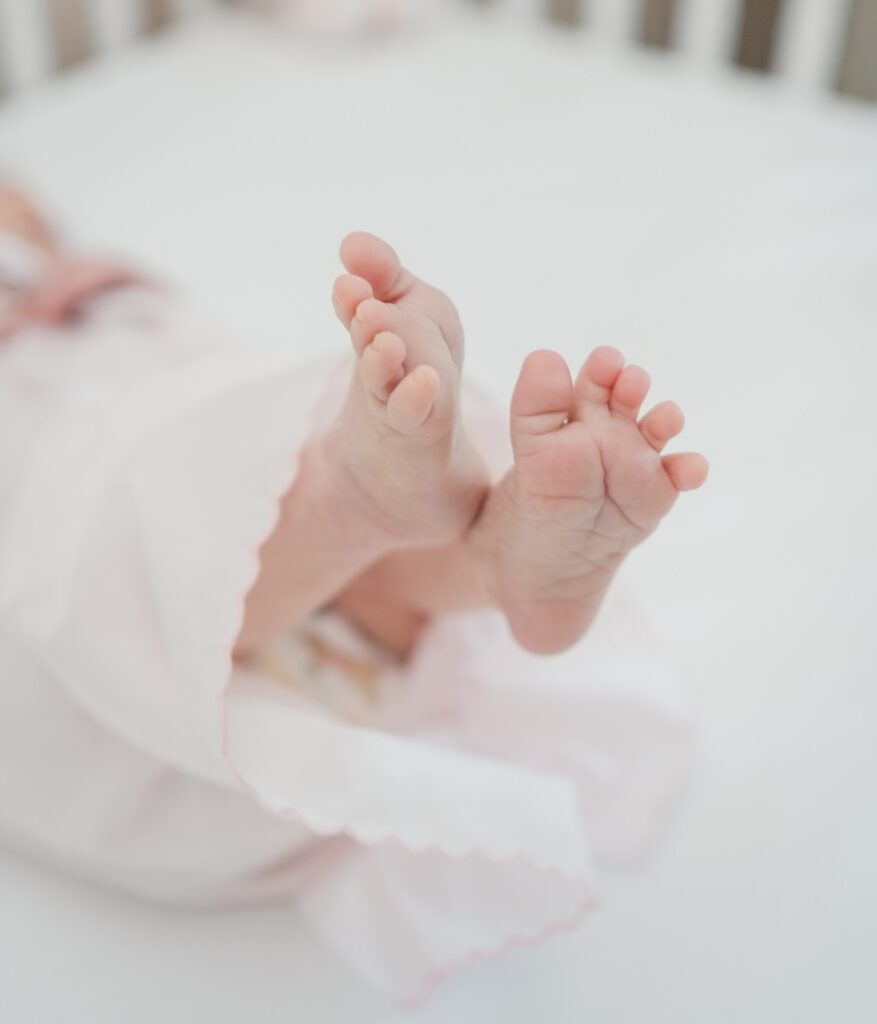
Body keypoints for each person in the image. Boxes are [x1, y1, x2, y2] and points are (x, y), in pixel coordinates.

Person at [0, 185, 707, 1000]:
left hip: (196, 478)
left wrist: (89, 287)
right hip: (157, 706)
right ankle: (395, 530)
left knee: (205, 473)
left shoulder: (99, 309)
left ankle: (446, 552)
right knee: (116, 539)